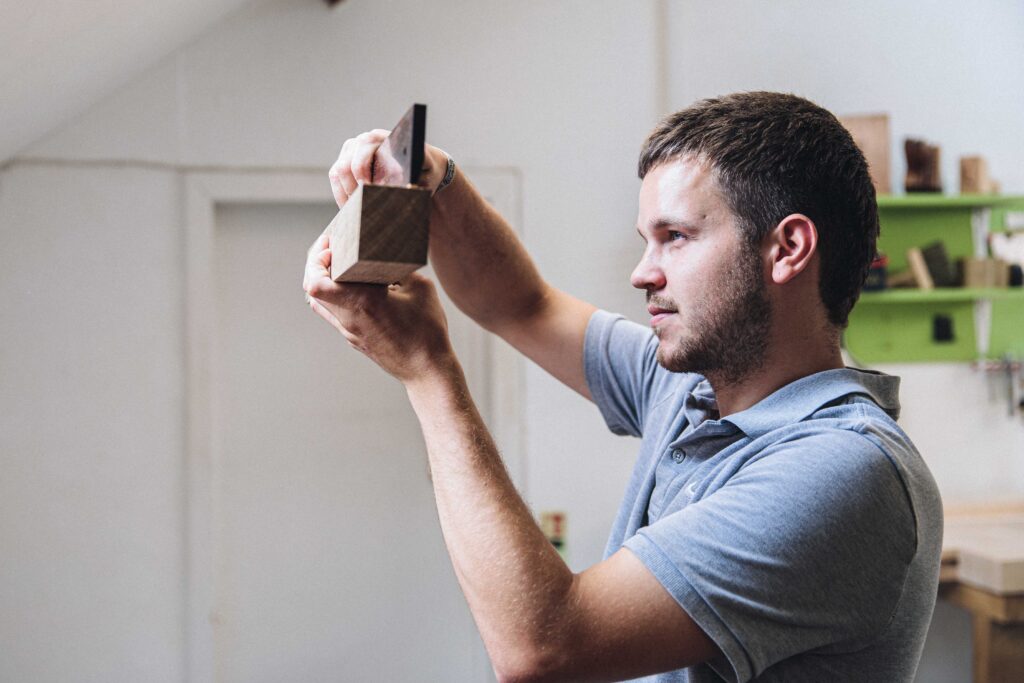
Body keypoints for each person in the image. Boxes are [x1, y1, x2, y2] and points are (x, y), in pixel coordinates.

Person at [302, 91, 943, 682]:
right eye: (647, 241)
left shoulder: (844, 468)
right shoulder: (691, 390)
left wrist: (426, 370)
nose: (643, 273)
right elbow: (521, 305)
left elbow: (545, 646)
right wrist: (438, 181)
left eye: (675, 238)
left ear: (788, 248)